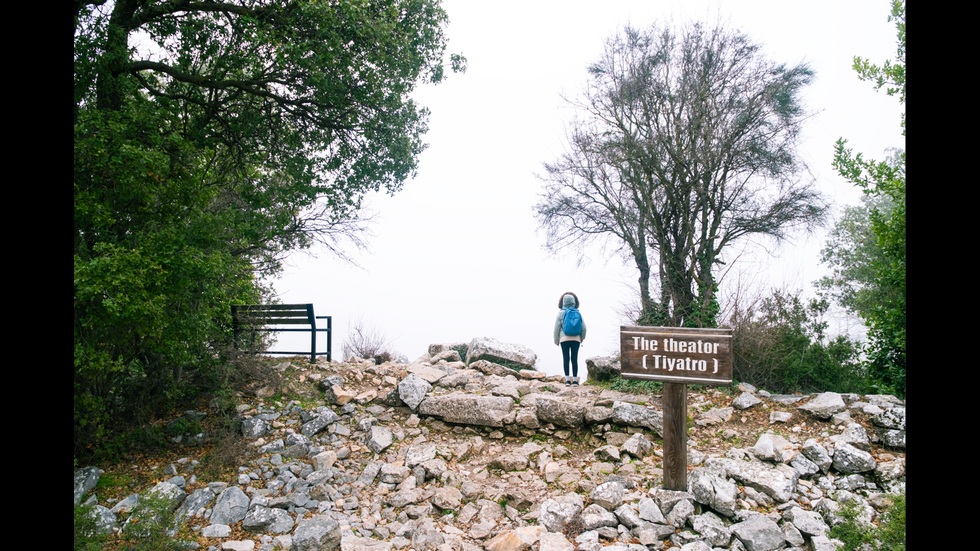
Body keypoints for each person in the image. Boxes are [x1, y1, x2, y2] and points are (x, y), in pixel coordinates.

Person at [554, 292, 586, 386]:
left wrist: (556, 340)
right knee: (574, 358)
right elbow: (584, 327)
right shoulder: (577, 312)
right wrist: (581, 337)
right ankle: (575, 381)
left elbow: (556, 328)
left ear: (563, 302)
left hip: (564, 338)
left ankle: (567, 380)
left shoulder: (561, 313)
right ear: (574, 301)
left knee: (566, 358)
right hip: (576, 338)